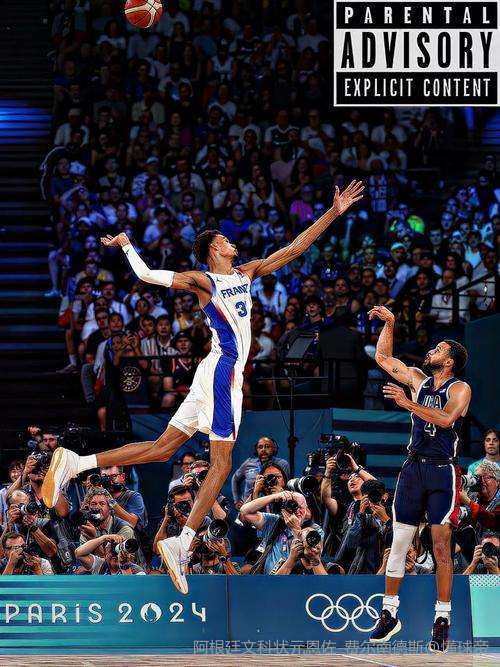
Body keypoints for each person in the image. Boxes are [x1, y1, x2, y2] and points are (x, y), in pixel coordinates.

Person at [41, 180, 365, 594]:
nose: (232, 242)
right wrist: (126, 245)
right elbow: (147, 275)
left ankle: (77, 463)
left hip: (213, 373)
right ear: (214, 249)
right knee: (222, 464)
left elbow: (294, 248)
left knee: (162, 449)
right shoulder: (203, 281)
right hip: (222, 372)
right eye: (225, 240)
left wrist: (333, 213)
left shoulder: (246, 272)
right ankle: (182, 542)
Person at [367, 305, 471, 653]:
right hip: (413, 467)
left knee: (441, 546)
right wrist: (390, 323)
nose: (431, 351)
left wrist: (407, 404)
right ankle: (389, 613)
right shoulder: (417, 379)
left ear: (449, 361)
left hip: (443, 470)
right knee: (399, 541)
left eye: (438, 349)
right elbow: (383, 358)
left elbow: (445, 419)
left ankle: (442, 618)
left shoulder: (460, 388)